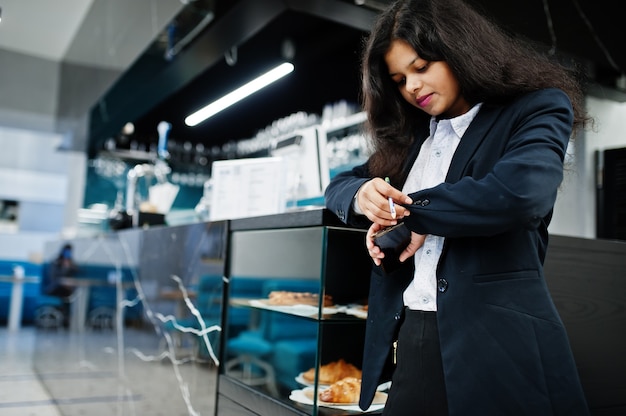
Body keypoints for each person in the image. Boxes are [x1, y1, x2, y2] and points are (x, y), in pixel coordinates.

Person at [324, 0, 592, 415]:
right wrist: (362, 196)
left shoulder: (536, 108)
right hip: (413, 338)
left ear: (461, 51)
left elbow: (522, 194)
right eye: (399, 79)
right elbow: (338, 185)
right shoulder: (411, 141)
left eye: (422, 66)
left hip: (500, 348)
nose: (412, 86)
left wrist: (413, 214)